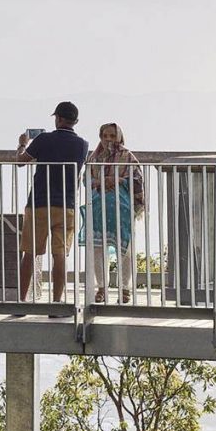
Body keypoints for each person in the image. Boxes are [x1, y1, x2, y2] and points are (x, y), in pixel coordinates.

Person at [17, 101, 88, 302]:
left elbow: (21, 162)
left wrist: (23, 144)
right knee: (59, 255)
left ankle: (21, 300)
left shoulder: (43, 139)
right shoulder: (82, 145)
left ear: (58, 118)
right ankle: (57, 302)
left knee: (30, 253)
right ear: (76, 121)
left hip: (39, 202)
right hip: (66, 204)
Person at [84, 121, 143, 304]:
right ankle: (101, 287)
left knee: (124, 249)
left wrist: (116, 179)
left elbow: (137, 179)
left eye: (112, 135)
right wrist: (101, 181)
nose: (108, 139)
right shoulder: (94, 158)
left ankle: (125, 289)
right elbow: (87, 181)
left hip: (122, 208)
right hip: (98, 207)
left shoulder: (128, 157)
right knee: (97, 249)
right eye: (104, 136)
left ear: (119, 137)